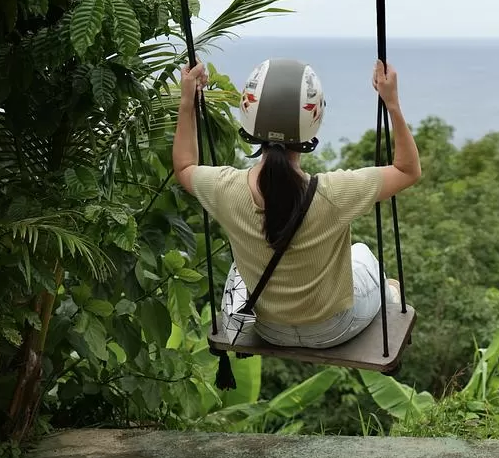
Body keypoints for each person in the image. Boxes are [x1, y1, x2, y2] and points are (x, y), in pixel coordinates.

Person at [171, 57, 421, 348]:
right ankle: (389, 295)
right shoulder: (334, 192)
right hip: (332, 329)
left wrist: (188, 100)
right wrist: (391, 103)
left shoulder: (225, 188)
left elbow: (185, 167)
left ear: (248, 114)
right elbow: (407, 170)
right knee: (363, 254)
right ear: (314, 120)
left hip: (267, 328)